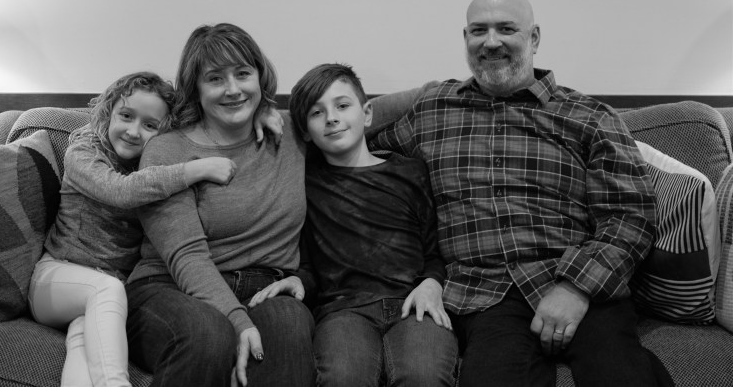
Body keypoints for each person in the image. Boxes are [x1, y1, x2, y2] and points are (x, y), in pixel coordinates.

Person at [371, 0, 674, 386]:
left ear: (534, 38)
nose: (490, 41)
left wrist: (576, 288)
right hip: (484, 293)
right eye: (478, 30)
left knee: (622, 376)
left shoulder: (589, 116)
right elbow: (351, 139)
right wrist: (418, 92)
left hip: (578, 282)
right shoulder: (432, 110)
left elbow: (630, 216)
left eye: (506, 29)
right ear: (465, 38)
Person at [125, 23, 315, 387]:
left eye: (243, 74)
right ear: (195, 89)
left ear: (260, 77)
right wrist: (237, 320)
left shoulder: (291, 132)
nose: (233, 89)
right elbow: (187, 256)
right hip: (169, 287)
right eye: (215, 78)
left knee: (290, 326)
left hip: (268, 287)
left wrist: (440, 89)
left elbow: (362, 115)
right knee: (208, 335)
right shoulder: (168, 151)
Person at [250, 63, 459, 387]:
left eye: (342, 106)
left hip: (412, 302)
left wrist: (432, 283)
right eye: (317, 113)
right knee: (344, 376)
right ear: (304, 131)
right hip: (343, 311)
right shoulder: (305, 183)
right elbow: (310, 264)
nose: (331, 118)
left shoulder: (410, 172)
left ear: (367, 113)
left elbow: (434, 251)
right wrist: (297, 280)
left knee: (424, 375)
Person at [28, 71, 242, 387]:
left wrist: (266, 113)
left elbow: (207, 120)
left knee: (83, 343)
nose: (133, 131)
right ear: (108, 112)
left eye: (149, 125)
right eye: (126, 116)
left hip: (100, 298)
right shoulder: (83, 152)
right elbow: (121, 191)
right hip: (56, 278)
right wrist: (195, 169)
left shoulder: (152, 164)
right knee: (106, 289)